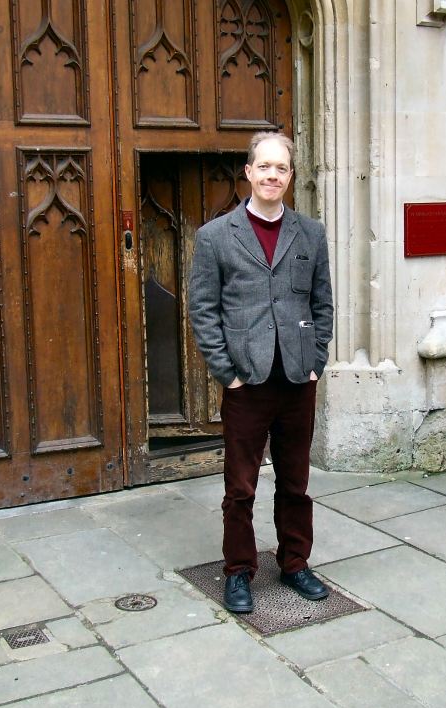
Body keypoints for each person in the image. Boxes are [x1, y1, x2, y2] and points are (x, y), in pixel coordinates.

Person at [188, 131, 334, 613]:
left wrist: (316, 362)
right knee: (241, 486)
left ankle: (294, 562)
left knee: (296, 482)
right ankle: (238, 571)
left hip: (296, 380)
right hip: (246, 383)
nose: (273, 175)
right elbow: (203, 310)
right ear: (248, 173)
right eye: (264, 167)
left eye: (282, 168)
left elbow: (322, 303)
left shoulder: (310, 234)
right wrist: (226, 372)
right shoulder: (215, 237)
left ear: (291, 177)